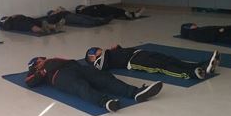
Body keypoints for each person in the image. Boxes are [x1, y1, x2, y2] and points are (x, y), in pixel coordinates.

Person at [25, 56, 163, 112]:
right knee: (80, 87)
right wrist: (42, 70)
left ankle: (135, 92)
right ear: (34, 65)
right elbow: (29, 82)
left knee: (105, 78)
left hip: (77, 68)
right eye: (38, 61)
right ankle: (105, 102)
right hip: (60, 76)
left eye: (41, 59)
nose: (41, 60)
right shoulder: (38, 70)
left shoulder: (53, 59)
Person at [85, 45, 221, 80]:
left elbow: (120, 53)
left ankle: (204, 65)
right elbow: (101, 66)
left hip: (139, 52)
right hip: (134, 61)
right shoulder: (99, 62)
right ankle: (190, 74)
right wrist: (97, 57)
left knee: (170, 59)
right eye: (95, 51)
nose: (98, 50)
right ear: (92, 58)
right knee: (161, 67)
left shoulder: (108, 53)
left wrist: (118, 48)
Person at [45, 6, 111, 27]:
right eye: (53, 12)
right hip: (67, 17)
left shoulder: (60, 12)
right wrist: (56, 12)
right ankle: (98, 22)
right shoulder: (53, 16)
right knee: (82, 20)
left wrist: (61, 9)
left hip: (70, 14)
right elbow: (51, 20)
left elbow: (63, 9)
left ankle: (102, 20)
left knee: (86, 17)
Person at [0, 14, 65, 35]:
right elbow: (6, 26)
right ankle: (43, 30)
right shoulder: (6, 22)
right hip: (20, 23)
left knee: (39, 22)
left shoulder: (13, 17)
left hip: (26, 19)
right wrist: (10, 17)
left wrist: (13, 16)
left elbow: (20, 15)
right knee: (30, 25)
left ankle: (55, 26)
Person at [75, 4, 145, 20]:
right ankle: (133, 14)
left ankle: (130, 14)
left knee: (114, 11)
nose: (84, 5)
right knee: (115, 11)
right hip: (100, 10)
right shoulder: (83, 11)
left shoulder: (85, 10)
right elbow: (92, 14)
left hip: (100, 9)